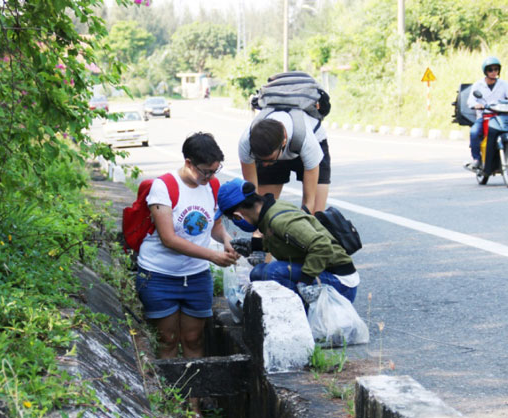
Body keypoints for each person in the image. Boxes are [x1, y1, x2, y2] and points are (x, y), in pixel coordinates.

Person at [135, 132, 238, 415]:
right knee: (167, 340)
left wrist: (226, 243)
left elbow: (214, 226)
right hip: (159, 276)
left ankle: (193, 406)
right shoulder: (163, 187)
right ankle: (172, 405)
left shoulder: (212, 186)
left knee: (194, 340)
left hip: (196, 277)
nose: (210, 177)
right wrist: (214, 256)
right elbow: (169, 238)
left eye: (215, 171)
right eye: (206, 171)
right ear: (189, 163)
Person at [215, 178, 359, 304]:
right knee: (257, 273)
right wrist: (254, 245)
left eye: (232, 219)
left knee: (272, 272)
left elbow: (322, 246)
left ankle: (303, 320)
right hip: (326, 272)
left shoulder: (278, 220)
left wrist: (305, 282)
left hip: (341, 281)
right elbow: (288, 242)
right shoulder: (270, 211)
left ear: (238, 215)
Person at [239, 107, 331, 215]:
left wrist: (298, 224)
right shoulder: (246, 144)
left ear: (284, 142)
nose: (264, 164)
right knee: (264, 210)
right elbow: (254, 197)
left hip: (310, 142)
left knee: (316, 215)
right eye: (259, 160)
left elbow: (309, 203)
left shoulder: (307, 142)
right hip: (276, 149)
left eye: (269, 160)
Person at [465, 56, 508, 170]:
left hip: (502, 116)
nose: (493, 72)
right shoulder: (478, 85)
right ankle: (476, 159)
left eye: (496, 69)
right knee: (474, 132)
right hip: (485, 116)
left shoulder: (504, 84)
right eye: (490, 70)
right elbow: (471, 100)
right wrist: (476, 105)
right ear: (485, 71)